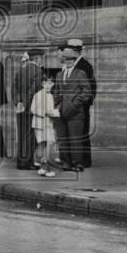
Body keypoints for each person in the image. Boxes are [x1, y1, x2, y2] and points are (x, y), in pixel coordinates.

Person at [52, 47, 90, 172]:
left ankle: (77, 163)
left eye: (71, 59)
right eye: (66, 59)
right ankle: (66, 163)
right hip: (61, 112)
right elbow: (56, 91)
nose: (68, 62)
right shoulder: (59, 74)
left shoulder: (80, 73)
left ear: (74, 60)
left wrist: (75, 104)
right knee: (62, 139)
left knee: (75, 139)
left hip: (76, 113)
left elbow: (87, 92)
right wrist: (56, 103)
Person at [62, 38, 97, 167]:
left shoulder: (84, 66)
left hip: (79, 106)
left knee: (81, 133)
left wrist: (83, 102)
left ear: (74, 50)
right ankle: (76, 159)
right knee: (76, 133)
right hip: (71, 105)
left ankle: (84, 160)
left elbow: (90, 87)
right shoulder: (72, 64)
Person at [12, 48, 44, 170]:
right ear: (37, 58)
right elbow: (33, 90)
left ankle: (21, 162)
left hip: (20, 107)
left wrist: (18, 102)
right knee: (30, 135)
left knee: (21, 135)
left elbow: (14, 88)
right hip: (31, 107)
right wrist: (26, 104)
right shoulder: (38, 71)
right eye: (41, 57)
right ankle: (27, 162)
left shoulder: (20, 70)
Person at [30, 76, 59, 177]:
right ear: (42, 84)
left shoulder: (50, 95)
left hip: (48, 123)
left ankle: (43, 167)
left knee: (47, 144)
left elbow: (50, 110)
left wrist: (54, 113)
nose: (48, 86)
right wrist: (45, 113)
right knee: (45, 144)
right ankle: (45, 167)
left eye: (50, 84)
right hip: (40, 123)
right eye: (46, 83)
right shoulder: (38, 95)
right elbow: (33, 109)